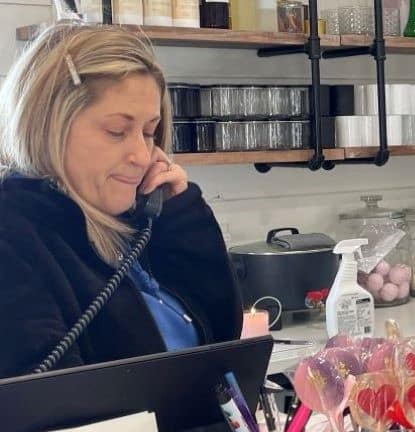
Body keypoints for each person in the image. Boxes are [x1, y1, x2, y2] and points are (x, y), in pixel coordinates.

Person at [0, 24, 241, 378]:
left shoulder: (132, 221)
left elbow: (223, 344)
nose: (142, 156)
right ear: (49, 125)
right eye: (117, 131)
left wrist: (181, 217)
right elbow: (50, 397)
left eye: (149, 132)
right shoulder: (14, 234)